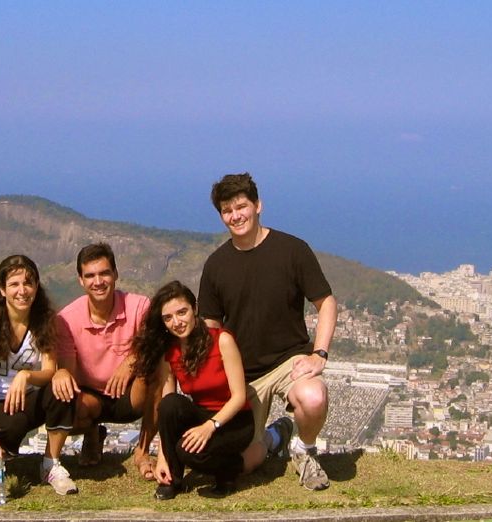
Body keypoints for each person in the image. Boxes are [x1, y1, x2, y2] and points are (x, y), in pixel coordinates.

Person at [198, 173, 338, 491]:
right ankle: (278, 434)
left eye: (241, 206)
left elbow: (326, 302)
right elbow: (209, 327)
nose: (235, 215)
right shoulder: (216, 265)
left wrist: (319, 353)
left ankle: (305, 449)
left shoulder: (292, 250)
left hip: (290, 360)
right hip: (243, 373)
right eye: (227, 210)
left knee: (313, 396)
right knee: (238, 467)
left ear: (258, 205)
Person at [0, 254, 78, 495]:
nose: (22, 290)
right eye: (14, 284)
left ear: (36, 287)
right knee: (12, 425)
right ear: (2, 290)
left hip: (26, 400)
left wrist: (26, 375)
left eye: (28, 283)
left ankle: (51, 464)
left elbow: (48, 370)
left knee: (63, 389)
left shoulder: (44, 322)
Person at [133, 281, 252, 500]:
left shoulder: (222, 340)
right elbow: (168, 409)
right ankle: (173, 479)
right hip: (201, 415)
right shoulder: (170, 353)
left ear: (195, 309)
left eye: (182, 312)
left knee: (188, 453)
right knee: (170, 403)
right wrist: (162, 456)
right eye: (168, 318)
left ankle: (229, 469)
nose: (177, 322)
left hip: (234, 420)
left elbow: (239, 397)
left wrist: (210, 426)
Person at [52, 242, 160, 480]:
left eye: (104, 273)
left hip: (132, 392)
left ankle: (141, 451)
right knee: (63, 400)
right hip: (91, 398)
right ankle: (92, 433)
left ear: (115, 275)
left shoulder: (139, 306)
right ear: (81, 280)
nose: (98, 281)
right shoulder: (67, 320)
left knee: (159, 370)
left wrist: (130, 361)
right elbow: (68, 372)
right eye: (90, 275)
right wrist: (61, 376)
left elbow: (155, 343)